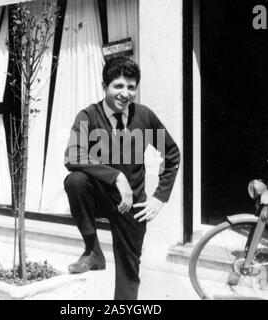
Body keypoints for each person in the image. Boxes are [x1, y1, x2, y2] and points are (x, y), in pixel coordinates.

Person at [63, 56, 180, 300]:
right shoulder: (89, 116)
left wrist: (160, 197)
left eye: (131, 87)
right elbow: (73, 155)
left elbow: (171, 154)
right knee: (75, 181)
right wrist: (116, 175)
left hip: (133, 205)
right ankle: (93, 250)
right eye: (118, 86)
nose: (125, 93)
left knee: (129, 270)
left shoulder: (143, 117)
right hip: (99, 196)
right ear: (104, 86)